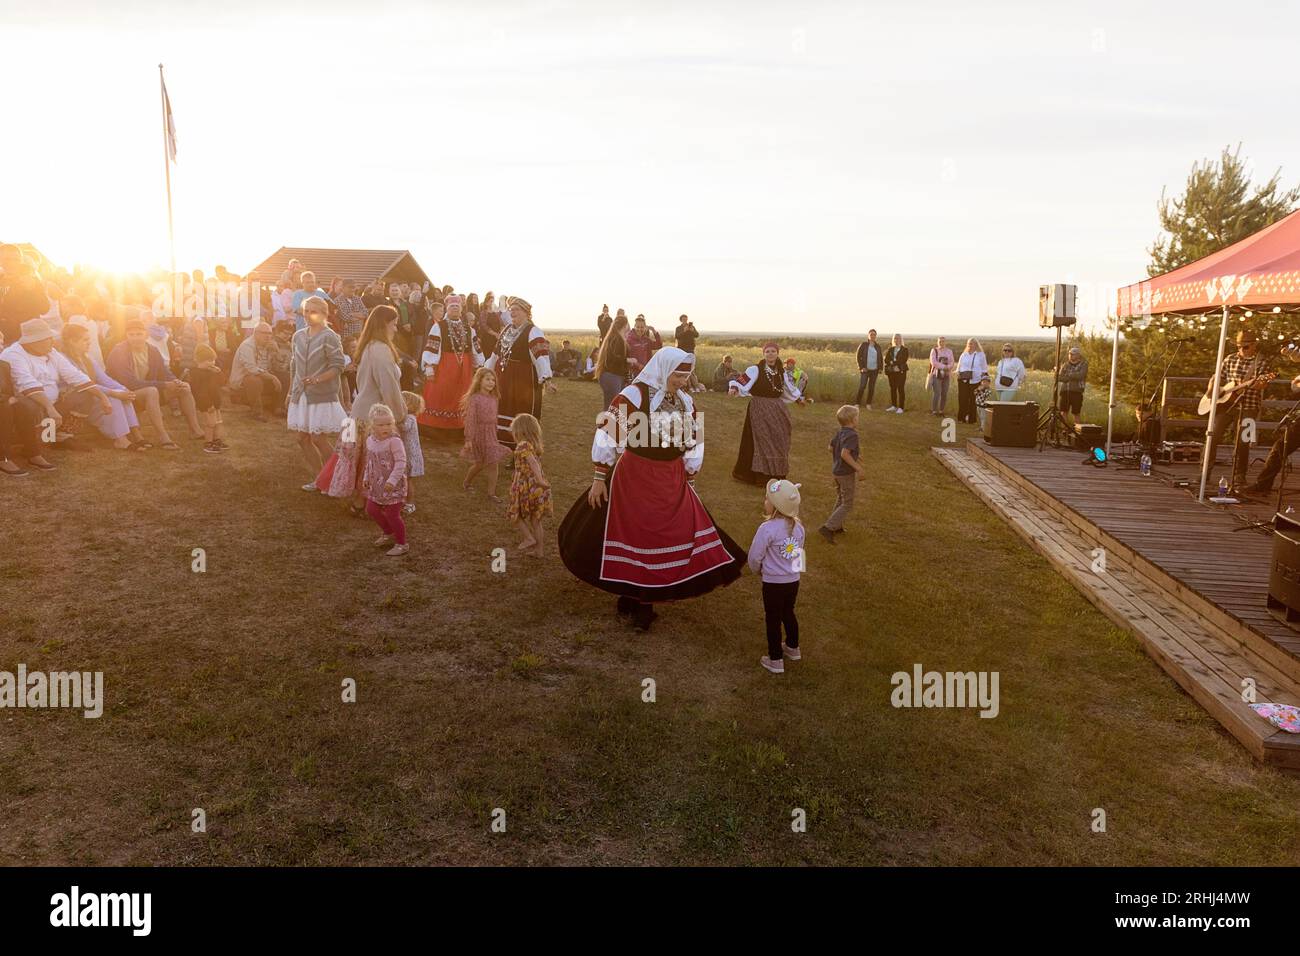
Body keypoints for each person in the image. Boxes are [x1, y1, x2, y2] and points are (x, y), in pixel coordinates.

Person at [558, 347, 746, 632]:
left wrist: (690, 476)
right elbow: (608, 432)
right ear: (663, 368)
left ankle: (642, 597)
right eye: (677, 375)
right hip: (635, 474)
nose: (682, 381)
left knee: (662, 535)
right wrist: (599, 476)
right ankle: (636, 599)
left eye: (686, 375)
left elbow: (695, 441)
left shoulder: (686, 401)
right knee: (637, 533)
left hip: (670, 477)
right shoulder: (634, 395)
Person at [0, 319, 105, 461]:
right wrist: (50, 407)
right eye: (48, 339)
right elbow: (26, 384)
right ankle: (36, 444)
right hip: (27, 402)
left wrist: (103, 397)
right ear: (34, 341)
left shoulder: (51, 352)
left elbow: (74, 374)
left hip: (53, 402)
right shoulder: (13, 354)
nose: (52, 341)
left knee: (85, 394)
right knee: (31, 405)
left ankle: (61, 437)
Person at [106, 317, 204, 447]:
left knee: (184, 388)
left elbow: (164, 372)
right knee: (151, 391)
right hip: (124, 395)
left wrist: (175, 381)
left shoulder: (152, 350)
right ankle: (163, 436)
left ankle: (195, 430)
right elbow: (129, 383)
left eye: (139, 334)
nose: (136, 338)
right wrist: (164, 385)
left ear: (146, 335)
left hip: (146, 392)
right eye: (132, 335)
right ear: (126, 336)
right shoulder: (119, 351)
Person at [59, 323, 151, 452]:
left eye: (89, 340)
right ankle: (121, 440)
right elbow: (82, 384)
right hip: (76, 398)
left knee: (121, 393)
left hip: (92, 393)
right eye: (85, 340)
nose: (89, 343)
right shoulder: (63, 359)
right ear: (72, 341)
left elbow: (103, 379)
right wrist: (114, 393)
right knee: (114, 397)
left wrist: (124, 389)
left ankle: (136, 435)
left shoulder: (87, 358)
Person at [288, 295, 347, 490]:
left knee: (318, 438)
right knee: (301, 438)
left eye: (312, 311)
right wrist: (290, 392)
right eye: (305, 311)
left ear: (323, 314)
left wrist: (317, 379)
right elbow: (294, 366)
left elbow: (338, 365)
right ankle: (320, 478)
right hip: (301, 394)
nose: (307, 315)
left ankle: (338, 477)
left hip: (321, 394)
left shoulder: (330, 336)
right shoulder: (298, 335)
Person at [749, 479, 805, 675]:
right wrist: (795, 572)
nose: (765, 501)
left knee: (772, 618)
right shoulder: (799, 528)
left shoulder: (767, 529)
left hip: (773, 583)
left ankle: (775, 659)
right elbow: (799, 553)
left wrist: (757, 570)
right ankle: (792, 647)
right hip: (793, 581)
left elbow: (755, 556)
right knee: (788, 612)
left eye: (767, 498)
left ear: (775, 506)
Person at [484, 297, 554, 449]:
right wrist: (487, 370)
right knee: (504, 409)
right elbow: (495, 354)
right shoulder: (507, 330)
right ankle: (507, 447)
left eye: (517, 309)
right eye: (511, 309)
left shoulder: (533, 331)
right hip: (504, 379)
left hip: (524, 380)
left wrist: (547, 379)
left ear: (526, 313)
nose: (512, 312)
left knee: (523, 413)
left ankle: (525, 450)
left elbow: (541, 356)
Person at [729, 342, 804, 485]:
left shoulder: (781, 372)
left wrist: (798, 399)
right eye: (768, 351)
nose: (770, 354)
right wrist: (734, 387)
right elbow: (741, 380)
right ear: (763, 354)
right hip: (759, 408)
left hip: (777, 409)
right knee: (762, 440)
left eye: (773, 351)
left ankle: (777, 474)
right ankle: (761, 476)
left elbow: (788, 388)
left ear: (777, 353)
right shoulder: (755, 369)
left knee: (779, 439)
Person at [1206, 329, 1271, 493]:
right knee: (1212, 436)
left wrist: (1259, 383)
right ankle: (1205, 472)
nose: (1242, 349)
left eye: (1246, 346)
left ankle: (1239, 478)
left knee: (1243, 442)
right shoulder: (1230, 359)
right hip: (1226, 406)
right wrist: (1211, 389)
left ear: (1254, 345)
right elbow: (1216, 377)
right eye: (1240, 346)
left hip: (1250, 407)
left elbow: (1263, 384)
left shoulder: (1262, 362)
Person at [418, 293, 483, 435]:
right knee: (441, 393)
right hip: (444, 365)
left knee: (461, 395)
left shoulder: (469, 329)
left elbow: (476, 348)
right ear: (447, 308)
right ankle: (435, 428)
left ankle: (459, 428)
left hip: (464, 367)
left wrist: (478, 364)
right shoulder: (438, 327)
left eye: (457, 306)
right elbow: (432, 346)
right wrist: (429, 366)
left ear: (461, 309)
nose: (454, 308)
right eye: (452, 306)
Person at [361, 403, 410, 557]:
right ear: (372, 425)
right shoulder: (370, 440)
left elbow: (401, 462)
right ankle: (388, 532)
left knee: (392, 514)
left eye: (389, 424)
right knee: (371, 509)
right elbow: (369, 461)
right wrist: (366, 477)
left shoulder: (394, 441)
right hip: (376, 484)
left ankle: (402, 544)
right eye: (381, 424)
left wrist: (392, 481)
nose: (386, 428)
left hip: (393, 485)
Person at [507, 413, 552, 558]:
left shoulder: (522, 445)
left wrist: (539, 479)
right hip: (538, 487)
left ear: (519, 430)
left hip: (528, 484)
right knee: (535, 520)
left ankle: (528, 538)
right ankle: (539, 551)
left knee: (515, 513)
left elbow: (532, 462)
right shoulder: (534, 444)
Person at [818, 404, 865, 544]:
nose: (858, 419)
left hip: (837, 471)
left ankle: (836, 525)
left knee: (840, 498)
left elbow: (830, 448)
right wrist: (858, 467)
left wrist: (853, 456)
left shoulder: (840, 432)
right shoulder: (852, 435)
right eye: (857, 417)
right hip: (845, 474)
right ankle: (828, 527)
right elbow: (845, 454)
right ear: (852, 420)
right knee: (847, 503)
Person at [460, 366, 509, 501]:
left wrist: (495, 431)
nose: (491, 382)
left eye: (493, 380)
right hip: (478, 434)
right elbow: (470, 419)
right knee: (480, 463)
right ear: (479, 381)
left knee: (493, 462)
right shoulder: (475, 399)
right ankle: (467, 482)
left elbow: (494, 416)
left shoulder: (495, 397)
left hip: (491, 434)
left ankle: (491, 493)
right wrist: (469, 438)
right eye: (487, 379)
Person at [228, 322, 283, 421]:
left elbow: (278, 367)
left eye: (270, 333)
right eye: (264, 333)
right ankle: (256, 412)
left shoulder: (270, 345)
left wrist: (277, 352)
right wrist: (272, 377)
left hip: (263, 377)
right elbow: (252, 369)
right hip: (243, 381)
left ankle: (278, 408)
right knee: (253, 380)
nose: (268, 336)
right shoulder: (247, 345)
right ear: (255, 333)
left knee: (284, 376)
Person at [186, 344, 227, 454]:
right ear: (199, 361)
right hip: (207, 404)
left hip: (216, 402)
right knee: (210, 423)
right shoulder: (196, 374)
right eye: (208, 361)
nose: (212, 363)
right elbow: (199, 392)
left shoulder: (212, 372)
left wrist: (219, 373)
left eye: (213, 360)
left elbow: (222, 383)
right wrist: (208, 405)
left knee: (218, 422)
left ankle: (217, 440)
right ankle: (208, 443)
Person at [399, 390, 425, 514]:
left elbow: (404, 427)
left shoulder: (410, 418)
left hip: (410, 455)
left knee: (407, 480)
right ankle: (403, 500)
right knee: (403, 479)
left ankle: (410, 503)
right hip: (407, 453)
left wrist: (395, 420)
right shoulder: (409, 417)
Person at [955, 338, 988, 424]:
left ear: (976, 345)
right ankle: (961, 418)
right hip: (963, 380)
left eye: (972, 343)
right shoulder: (964, 355)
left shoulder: (981, 355)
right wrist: (957, 372)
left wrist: (984, 381)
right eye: (969, 343)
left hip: (976, 380)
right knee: (962, 399)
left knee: (973, 400)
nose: (970, 345)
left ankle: (971, 419)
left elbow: (984, 369)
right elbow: (959, 366)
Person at [1059, 345, 1088, 429]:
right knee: (1063, 412)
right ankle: (1064, 430)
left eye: (1073, 354)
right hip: (1065, 391)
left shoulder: (1084, 364)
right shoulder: (1065, 364)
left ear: (1078, 355)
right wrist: (1072, 376)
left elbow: (1081, 376)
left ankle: (1077, 432)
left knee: (1076, 413)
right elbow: (1060, 377)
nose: (1070, 355)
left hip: (1077, 392)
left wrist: (1068, 375)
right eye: (1069, 354)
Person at [855, 329, 883, 409]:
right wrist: (861, 367)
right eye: (871, 334)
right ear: (868, 336)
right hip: (865, 370)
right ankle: (857, 403)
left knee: (871, 387)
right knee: (862, 386)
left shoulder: (877, 346)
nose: (873, 336)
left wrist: (880, 368)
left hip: (874, 370)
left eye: (874, 334)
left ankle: (868, 404)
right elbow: (858, 356)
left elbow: (880, 358)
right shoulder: (863, 345)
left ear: (876, 336)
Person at [928, 335, 954, 416]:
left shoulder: (949, 351)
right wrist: (944, 367)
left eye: (943, 341)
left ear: (945, 342)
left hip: (946, 375)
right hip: (937, 375)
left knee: (944, 393)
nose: (941, 343)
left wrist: (948, 367)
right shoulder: (934, 351)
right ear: (937, 342)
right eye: (940, 341)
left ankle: (941, 411)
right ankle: (934, 411)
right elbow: (933, 362)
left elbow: (952, 362)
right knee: (937, 393)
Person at [884, 334, 909, 413]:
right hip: (891, 372)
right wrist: (893, 364)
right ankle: (894, 406)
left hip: (901, 371)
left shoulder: (905, 349)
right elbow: (886, 360)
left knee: (900, 389)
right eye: (895, 338)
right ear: (893, 339)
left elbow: (903, 360)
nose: (896, 340)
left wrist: (894, 363)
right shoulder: (891, 349)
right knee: (893, 388)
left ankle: (901, 408)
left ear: (901, 339)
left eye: (898, 338)